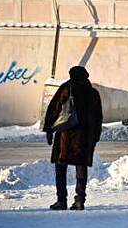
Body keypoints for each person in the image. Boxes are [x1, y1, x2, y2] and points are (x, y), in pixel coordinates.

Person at [43, 66, 102, 211]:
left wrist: (49, 129)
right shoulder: (93, 93)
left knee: (60, 166)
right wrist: (95, 137)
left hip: (65, 135)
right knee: (81, 168)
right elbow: (98, 117)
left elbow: (54, 108)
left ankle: (61, 200)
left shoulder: (66, 88)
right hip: (85, 137)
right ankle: (80, 200)